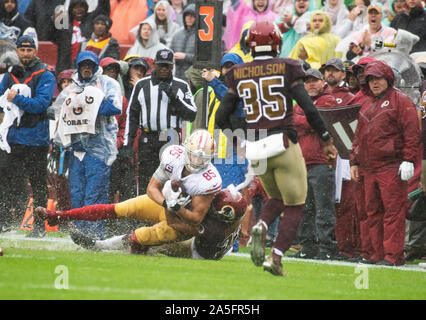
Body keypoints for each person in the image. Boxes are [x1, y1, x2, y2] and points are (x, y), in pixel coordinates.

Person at [215, 21, 338, 276]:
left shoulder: (238, 72)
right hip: (283, 142)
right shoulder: (287, 67)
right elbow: (308, 106)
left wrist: (238, 141)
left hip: (256, 146)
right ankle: (277, 257)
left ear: (250, 43)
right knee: (296, 203)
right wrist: (326, 138)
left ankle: (261, 224)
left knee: (276, 199)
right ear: (276, 42)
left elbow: (221, 118)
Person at [36, 129, 225, 255]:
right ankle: (59, 216)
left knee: (138, 238)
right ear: (185, 150)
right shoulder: (173, 155)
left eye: (203, 158)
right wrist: (167, 203)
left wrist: (175, 207)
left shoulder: (209, 180)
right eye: (194, 155)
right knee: (118, 208)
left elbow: (195, 220)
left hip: (181, 222)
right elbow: (152, 189)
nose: (197, 162)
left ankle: (100, 247)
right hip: (166, 203)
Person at [350, 59, 421, 266]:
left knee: (393, 212)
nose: (374, 83)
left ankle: (392, 256)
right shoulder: (367, 103)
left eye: (378, 78)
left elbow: (411, 132)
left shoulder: (401, 101)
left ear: (388, 78)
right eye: (371, 79)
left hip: (391, 166)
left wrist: (408, 159)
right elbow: (358, 136)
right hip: (369, 167)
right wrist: (354, 161)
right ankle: (376, 254)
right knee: (373, 212)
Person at [49, 50, 122, 240]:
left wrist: (88, 105)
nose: (87, 68)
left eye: (90, 65)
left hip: (99, 150)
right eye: (83, 65)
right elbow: (55, 111)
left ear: (96, 66)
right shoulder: (71, 88)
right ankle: (80, 233)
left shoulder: (108, 84)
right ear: (79, 66)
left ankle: (96, 233)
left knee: (94, 194)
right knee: (77, 193)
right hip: (76, 150)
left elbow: (115, 107)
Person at [0, 35, 56, 236]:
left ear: (35, 51)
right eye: (22, 50)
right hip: (13, 139)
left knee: (38, 183)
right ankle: (5, 221)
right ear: (17, 51)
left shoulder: (46, 74)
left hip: (35, 138)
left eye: (29, 50)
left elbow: (41, 105)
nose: (25, 54)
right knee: (6, 179)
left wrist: (17, 99)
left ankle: (39, 227)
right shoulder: (10, 75)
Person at [125, 48, 197, 196]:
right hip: (148, 137)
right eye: (161, 65)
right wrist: (129, 142)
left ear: (172, 66)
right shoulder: (142, 85)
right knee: (146, 177)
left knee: (171, 178)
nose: (164, 68)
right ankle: (144, 216)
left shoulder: (181, 85)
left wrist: (173, 96)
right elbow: (132, 114)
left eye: (167, 65)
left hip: (171, 138)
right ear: (155, 65)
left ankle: (167, 212)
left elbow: (191, 114)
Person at [289, 68, 341, 260]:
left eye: (314, 80)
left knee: (323, 208)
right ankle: (308, 247)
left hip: (322, 162)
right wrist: (309, 118)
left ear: (322, 83)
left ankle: (327, 247)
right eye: (307, 81)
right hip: (303, 163)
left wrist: (304, 118)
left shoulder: (329, 100)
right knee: (305, 208)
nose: (311, 84)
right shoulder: (304, 104)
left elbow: (319, 122)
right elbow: (300, 122)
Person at [54, 0, 110, 75]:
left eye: (81, 6)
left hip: (88, 66)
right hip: (67, 65)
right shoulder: (65, 24)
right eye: (75, 7)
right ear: (71, 9)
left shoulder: (91, 20)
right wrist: (54, 19)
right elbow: (50, 33)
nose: (78, 10)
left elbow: (103, 8)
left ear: (86, 8)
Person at [169, 3, 195, 82]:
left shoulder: (200, 36)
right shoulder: (177, 34)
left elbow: (204, 60)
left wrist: (186, 56)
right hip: (177, 76)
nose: (189, 18)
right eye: (187, 15)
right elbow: (170, 51)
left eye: (192, 16)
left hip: (193, 78)